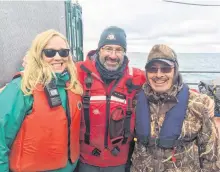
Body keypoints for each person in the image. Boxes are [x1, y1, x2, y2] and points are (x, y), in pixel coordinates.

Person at [0, 29, 83, 172]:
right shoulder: (21, 88)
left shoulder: (73, 87)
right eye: (50, 52)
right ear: (38, 54)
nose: (58, 57)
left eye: (64, 52)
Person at [130, 44, 220, 172]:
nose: (159, 74)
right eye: (152, 69)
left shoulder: (198, 105)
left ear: (175, 71)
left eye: (166, 69)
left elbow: (211, 157)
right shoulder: (135, 101)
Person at [76, 26, 146, 172]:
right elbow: (53, 72)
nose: (113, 55)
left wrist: (200, 97)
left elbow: (163, 82)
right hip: (86, 161)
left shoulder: (136, 77)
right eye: (108, 48)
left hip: (118, 161)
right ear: (99, 49)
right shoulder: (78, 71)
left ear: (124, 52)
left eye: (119, 50)